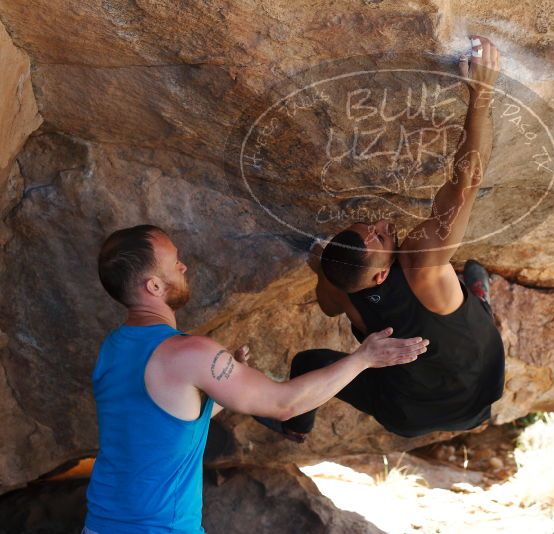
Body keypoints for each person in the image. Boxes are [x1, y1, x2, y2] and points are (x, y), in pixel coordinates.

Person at [83, 224, 428, 534]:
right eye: (175, 262)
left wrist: (217, 391)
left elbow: (166, 424)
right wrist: (363, 358)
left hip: (101, 523)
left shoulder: (112, 350)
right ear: (154, 285)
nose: (183, 266)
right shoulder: (188, 353)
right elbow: (285, 404)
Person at [257, 35, 505, 441]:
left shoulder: (340, 289)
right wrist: (482, 93)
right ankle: (477, 299)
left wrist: (322, 268)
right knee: (460, 298)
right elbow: (466, 183)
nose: (382, 224)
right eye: (379, 237)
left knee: (307, 364)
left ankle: (294, 427)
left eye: (366, 227)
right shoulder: (421, 266)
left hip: (405, 413)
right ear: (379, 275)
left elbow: (327, 303)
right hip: (479, 392)